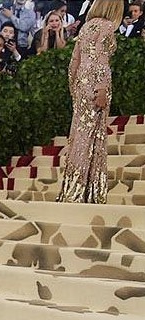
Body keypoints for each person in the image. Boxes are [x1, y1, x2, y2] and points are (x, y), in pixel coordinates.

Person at [57, 0, 123, 204]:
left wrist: (75, 89)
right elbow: (101, 61)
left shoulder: (86, 26)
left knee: (79, 135)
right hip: (97, 85)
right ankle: (86, 192)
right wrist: (101, 89)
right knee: (93, 136)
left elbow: (74, 62)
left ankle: (73, 189)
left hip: (81, 83)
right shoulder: (107, 26)